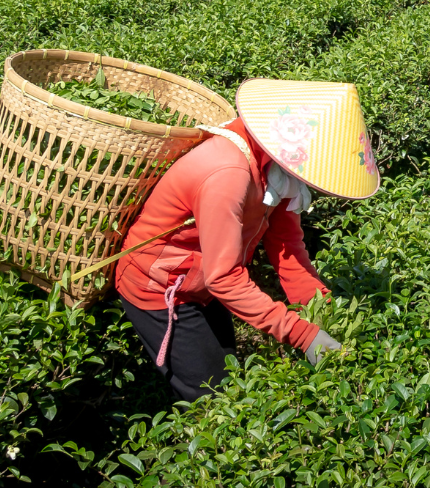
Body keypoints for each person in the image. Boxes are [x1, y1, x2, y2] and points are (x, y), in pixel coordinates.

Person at [115, 79, 379, 402]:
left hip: (205, 280)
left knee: (230, 374)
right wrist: (303, 335)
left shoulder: (278, 170)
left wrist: (323, 311)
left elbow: (286, 247)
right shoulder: (226, 173)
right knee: (211, 396)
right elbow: (224, 278)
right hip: (158, 287)